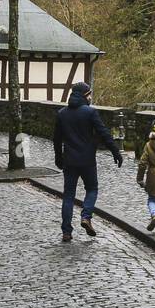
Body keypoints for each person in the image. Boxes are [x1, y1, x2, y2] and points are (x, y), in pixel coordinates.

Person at [52, 82, 123, 242]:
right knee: (92, 189)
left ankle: (66, 232)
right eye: (89, 94)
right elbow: (103, 133)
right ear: (84, 95)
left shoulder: (62, 113)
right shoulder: (90, 112)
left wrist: (58, 158)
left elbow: (56, 139)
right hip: (87, 160)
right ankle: (86, 216)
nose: (91, 97)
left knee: (68, 196)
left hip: (69, 160)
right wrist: (115, 151)